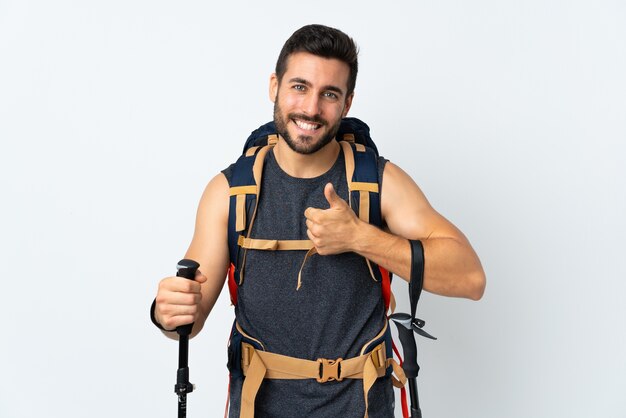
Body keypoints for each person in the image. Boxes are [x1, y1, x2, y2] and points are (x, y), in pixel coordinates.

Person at [152, 24, 486, 418]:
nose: (311, 109)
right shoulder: (230, 192)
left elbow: (470, 278)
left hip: (361, 406)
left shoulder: (380, 182)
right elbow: (187, 321)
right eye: (299, 87)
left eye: (329, 94)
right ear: (274, 86)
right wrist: (166, 313)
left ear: (347, 104)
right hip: (258, 407)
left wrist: (362, 238)